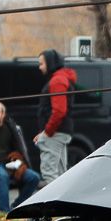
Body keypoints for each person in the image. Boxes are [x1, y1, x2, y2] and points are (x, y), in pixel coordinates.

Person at [34, 49, 75, 184]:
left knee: (50, 176)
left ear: (50, 63)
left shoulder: (57, 81)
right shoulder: (62, 78)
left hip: (55, 134)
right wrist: (44, 133)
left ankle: (53, 206)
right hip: (59, 132)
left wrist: (47, 132)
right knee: (61, 176)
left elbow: (59, 111)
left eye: (41, 64)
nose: (39, 67)